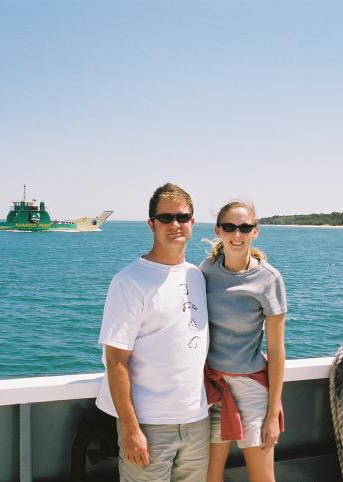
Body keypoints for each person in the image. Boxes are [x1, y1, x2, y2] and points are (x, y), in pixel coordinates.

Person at [96, 183, 210, 482]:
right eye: (165, 218)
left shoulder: (196, 275)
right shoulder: (129, 281)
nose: (175, 225)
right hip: (149, 424)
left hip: (197, 420)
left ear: (193, 223)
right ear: (151, 224)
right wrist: (131, 430)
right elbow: (116, 361)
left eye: (183, 218)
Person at [200, 201, 287, 482]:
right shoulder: (206, 271)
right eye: (229, 227)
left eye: (244, 227)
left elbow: (276, 350)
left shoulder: (269, 279)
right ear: (218, 231)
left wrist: (273, 414)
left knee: (262, 478)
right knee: (209, 478)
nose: (237, 235)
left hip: (250, 389)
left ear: (255, 232)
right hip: (212, 387)